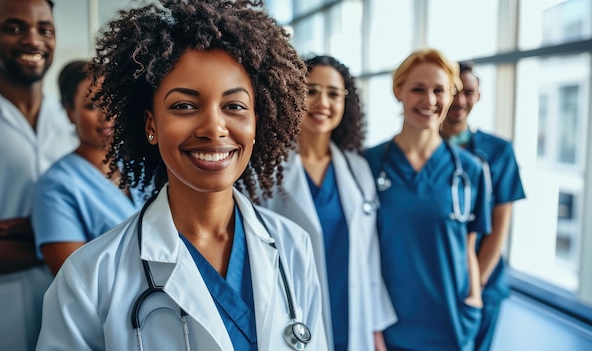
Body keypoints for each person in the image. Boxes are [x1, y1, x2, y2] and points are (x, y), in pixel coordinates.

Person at [36, 0, 328, 350]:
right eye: (184, 106)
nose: (213, 128)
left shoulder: (294, 247)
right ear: (151, 125)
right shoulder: (90, 275)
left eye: (234, 106)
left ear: (256, 122)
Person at [256, 55, 396, 351]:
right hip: (293, 316)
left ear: (346, 103)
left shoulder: (358, 170)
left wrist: (376, 331)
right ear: (293, 95)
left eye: (334, 93)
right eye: (311, 90)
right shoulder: (267, 171)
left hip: (353, 315)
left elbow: (369, 257)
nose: (323, 102)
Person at [0, 0, 77, 350]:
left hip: (70, 322)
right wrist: (68, 245)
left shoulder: (75, 122)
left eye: (45, 29)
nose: (33, 40)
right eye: (14, 28)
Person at [364, 48, 491, 351]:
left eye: (439, 90)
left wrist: (473, 299)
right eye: (418, 89)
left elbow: (469, 248)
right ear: (399, 91)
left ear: (451, 95)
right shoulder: (368, 164)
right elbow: (360, 251)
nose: (430, 100)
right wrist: (369, 324)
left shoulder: (471, 170)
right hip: (389, 323)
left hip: (451, 322)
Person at [31, 60, 147, 275]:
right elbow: (71, 276)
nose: (106, 115)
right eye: (92, 105)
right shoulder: (55, 187)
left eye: (113, 102)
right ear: (69, 112)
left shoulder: (143, 166)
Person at [441, 61, 526, 351]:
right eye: (454, 91)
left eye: (469, 92)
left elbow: (499, 226)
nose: (460, 100)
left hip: (482, 283)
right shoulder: (418, 152)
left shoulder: (499, 152)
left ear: (479, 96)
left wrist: (473, 288)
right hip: (434, 280)